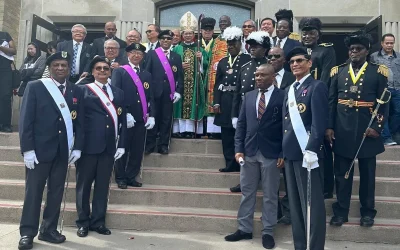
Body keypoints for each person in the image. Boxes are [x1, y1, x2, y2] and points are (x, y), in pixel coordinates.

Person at [18, 51, 84, 250]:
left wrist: (78, 147)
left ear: (68, 68)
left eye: (64, 65)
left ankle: (48, 230)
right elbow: (25, 120)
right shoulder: (36, 86)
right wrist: (27, 150)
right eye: (56, 65)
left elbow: (79, 122)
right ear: (50, 68)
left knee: (56, 193)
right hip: (39, 152)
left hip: (63, 151)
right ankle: (27, 233)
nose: (60, 68)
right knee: (33, 194)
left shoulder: (76, 90)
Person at [327, 31, 389, 228]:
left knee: (368, 175)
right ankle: (341, 212)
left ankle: (368, 212)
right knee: (342, 175)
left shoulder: (378, 72)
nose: (354, 52)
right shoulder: (338, 71)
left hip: (366, 129)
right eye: (352, 49)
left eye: (359, 49)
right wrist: (329, 126)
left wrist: (377, 127)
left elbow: (384, 102)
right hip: (342, 128)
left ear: (367, 51)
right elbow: (331, 101)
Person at [224, 64, 284, 249]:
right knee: (247, 192)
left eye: (262, 75)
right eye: (256, 75)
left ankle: (268, 231)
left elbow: (286, 127)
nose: (258, 78)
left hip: (272, 153)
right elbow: (241, 124)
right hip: (249, 152)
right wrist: (238, 149)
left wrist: (283, 152)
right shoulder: (249, 96)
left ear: (272, 77)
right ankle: (244, 228)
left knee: (270, 195)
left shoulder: (283, 96)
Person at [75, 56, 126, 238]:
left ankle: (98, 222)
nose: (103, 71)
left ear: (110, 71)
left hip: (109, 147)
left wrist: (122, 144)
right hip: (88, 147)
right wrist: (77, 147)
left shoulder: (118, 92)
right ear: (93, 71)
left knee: (103, 187)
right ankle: (82, 222)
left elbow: (122, 121)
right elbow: (78, 121)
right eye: (99, 68)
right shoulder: (83, 90)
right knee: (84, 186)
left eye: (106, 68)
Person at [282, 47, 328, 250]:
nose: (295, 64)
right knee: (295, 206)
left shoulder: (317, 87)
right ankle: (300, 246)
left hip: (307, 154)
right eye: (292, 61)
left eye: (299, 60)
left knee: (312, 206)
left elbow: (319, 123)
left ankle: (314, 246)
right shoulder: (289, 89)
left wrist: (312, 149)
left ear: (309, 63)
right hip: (290, 153)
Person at [299, 17, 337, 199]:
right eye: (304, 32)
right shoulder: (298, 52)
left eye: (311, 32)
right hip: (301, 105)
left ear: (318, 34)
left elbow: (327, 81)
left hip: (319, 101)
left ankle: (327, 187)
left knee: (323, 148)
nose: (307, 36)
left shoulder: (326, 51)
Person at [229, 31, 271, 192]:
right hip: (246, 113)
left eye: (256, 47)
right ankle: (245, 180)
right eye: (251, 46)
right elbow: (237, 93)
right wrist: (235, 114)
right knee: (245, 148)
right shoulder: (245, 67)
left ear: (265, 48)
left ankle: (264, 179)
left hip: (265, 113)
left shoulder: (270, 66)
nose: (252, 49)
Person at [112, 43, 155, 189]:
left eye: (139, 53)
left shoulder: (146, 74)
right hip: (126, 118)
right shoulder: (120, 72)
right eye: (133, 52)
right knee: (123, 148)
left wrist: (152, 116)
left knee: (137, 150)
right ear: (128, 55)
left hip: (141, 117)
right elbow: (116, 95)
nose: (136, 55)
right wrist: (125, 114)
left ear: (143, 57)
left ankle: (131, 176)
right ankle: (121, 177)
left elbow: (151, 97)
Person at [213, 26, 251, 179]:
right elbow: (217, 84)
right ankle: (229, 163)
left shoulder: (247, 59)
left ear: (240, 43)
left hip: (240, 102)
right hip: (225, 101)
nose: (231, 46)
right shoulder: (222, 62)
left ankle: (241, 163)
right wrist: (216, 102)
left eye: (234, 43)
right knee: (226, 135)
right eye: (229, 44)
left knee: (240, 134)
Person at [144, 30, 184, 154]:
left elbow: (179, 76)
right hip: (154, 93)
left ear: (172, 41)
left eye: (168, 39)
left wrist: (178, 91)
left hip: (169, 93)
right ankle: (150, 145)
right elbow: (146, 73)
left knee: (166, 120)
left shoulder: (176, 56)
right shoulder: (151, 54)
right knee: (153, 118)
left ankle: (163, 145)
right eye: (163, 39)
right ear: (160, 41)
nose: (166, 41)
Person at [267, 46, 295, 225]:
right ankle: (274, 211)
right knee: (270, 178)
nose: (272, 59)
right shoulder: (261, 78)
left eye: (276, 56)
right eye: (270, 56)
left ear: (284, 60)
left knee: (289, 177)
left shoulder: (293, 78)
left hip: (289, 133)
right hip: (269, 135)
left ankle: (290, 210)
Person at [172, 11, 208, 138]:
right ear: (182, 35)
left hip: (194, 83)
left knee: (193, 104)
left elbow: (206, 66)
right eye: (185, 33)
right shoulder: (176, 49)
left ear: (194, 34)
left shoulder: (200, 49)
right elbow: (171, 66)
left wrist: (201, 59)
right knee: (179, 105)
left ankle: (191, 131)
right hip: (180, 83)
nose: (188, 35)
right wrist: (178, 66)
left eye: (190, 33)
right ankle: (179, 130)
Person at [371, 33, 400, 146]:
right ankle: (386, 137)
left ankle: (391, 134)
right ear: (382, 43)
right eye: (387, 43)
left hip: (397, 88)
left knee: (398, 112)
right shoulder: (374, 56)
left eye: (391, 43)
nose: (389, 45)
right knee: (384, 113)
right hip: (382, 90)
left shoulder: (398, 56)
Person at [205, 15, 231, 138]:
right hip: (214, 76)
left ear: (230, 23)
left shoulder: (232, 38)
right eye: (221, 22)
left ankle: (222, 130)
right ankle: (212, 131)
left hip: (228, 75)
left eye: (225, 22)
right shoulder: (215, 40)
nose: (222, 24)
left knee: (224, 101)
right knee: (213, 100)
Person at [0, 30, 16, 133]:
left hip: (4, 68)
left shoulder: (5, 35)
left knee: (5, 96)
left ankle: (5, 124)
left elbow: (13, 51)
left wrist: (1, 47)